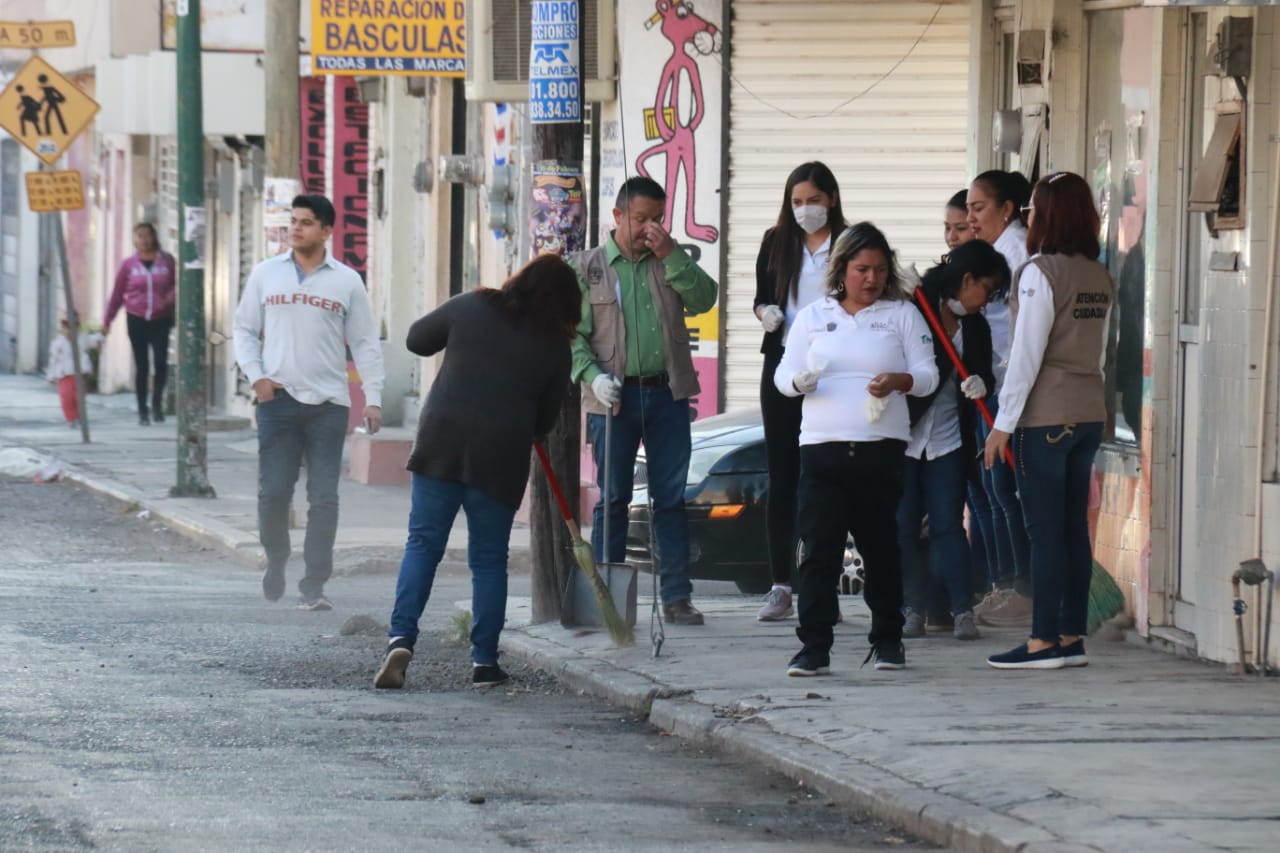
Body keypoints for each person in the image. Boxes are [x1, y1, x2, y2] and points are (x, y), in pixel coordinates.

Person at [374, 255, 579, 690]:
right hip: (500, 458)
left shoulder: (472, 305)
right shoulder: (556, 346)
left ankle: (401, 637)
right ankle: (484, 662)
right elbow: (544, 423)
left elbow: (416, 340)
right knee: (488, 560)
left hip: (441, 444)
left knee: (423, 544)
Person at [774, 223, 939, 676]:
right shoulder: (813, 316)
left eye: (881, 270)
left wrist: (900, 380)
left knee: (881, 548)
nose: (871, 279)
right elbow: (783, 376)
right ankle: (814, 647)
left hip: (879, 451)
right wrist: (799, 381)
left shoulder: (902, 315)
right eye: (862, 269)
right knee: (819, 552)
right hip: (822, 449)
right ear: (841, 269)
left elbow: (929, 375)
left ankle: (887, 640)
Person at [571, 176, 719, 626]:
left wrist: (672, 254)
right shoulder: (587, 267)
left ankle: (676, 597)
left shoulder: (669, 258)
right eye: (640, 219)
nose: (649, 228)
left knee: (669, 499)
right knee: (613, 498)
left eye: (657, 218)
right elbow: (571, 336)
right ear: (617, 216)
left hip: (667, 394)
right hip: (613, 399)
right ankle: (606, 600)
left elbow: (705, 299)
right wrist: (593, 377)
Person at [984, 171, 1115, 670]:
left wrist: (1002, 424)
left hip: (1045, 418)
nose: (1029, 218)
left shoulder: (1039, 272)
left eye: (1033, 210)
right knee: (1072, 529)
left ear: (1048, 215)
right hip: (1088, 412)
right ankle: (1070, 636)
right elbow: (1100, 353)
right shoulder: (1098, 274)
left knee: (1043, 532)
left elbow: (1026, 355)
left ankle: (1042, 641)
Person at [233, 194, 385, 611]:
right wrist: (257, 376)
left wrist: (373, 398)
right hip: (277, 402)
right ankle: (277, 557)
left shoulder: (346, 281)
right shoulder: (266, 274)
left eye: (306, 222)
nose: (296, 229)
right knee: (274, 492)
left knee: (324, 497)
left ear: (327, 230)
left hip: (329, 405)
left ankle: (314, 585)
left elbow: (365, 343)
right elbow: (244, 329)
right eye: (293, 221)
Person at [752, 161, 849, 621]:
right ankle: (780, 584)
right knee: (783, 476)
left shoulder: (849, 242)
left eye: (813, 201)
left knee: (827, 477)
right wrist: (765, 314)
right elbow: (761, 297)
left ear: (831, 199)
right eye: (796, 202)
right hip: (784, 366)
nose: (805, 210)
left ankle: (823, 584)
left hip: (836, 369)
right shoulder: (776, 242)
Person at [898, 240, 1009, 642]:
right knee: (904, 526)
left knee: (948, 525)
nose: (988, 301)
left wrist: (982, 383)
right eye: (988, 290)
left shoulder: (976, 327)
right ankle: (911, 609)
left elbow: (985, 374)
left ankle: (962, 610)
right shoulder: (915, 311)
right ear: (967, 279)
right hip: (905, 438)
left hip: (947, 439)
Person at [966, 170, 1035, 627]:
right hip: (989, 382)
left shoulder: (1018, 253)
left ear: (1007, 209)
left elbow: (1020, 332)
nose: (972, 219)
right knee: (991, 491)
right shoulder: (994, 251)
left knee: (1006, 492)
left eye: (979, 208)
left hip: (1007, 387)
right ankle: (1002, 584)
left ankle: (1020, 588)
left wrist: (1002, 388)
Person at [104, 223, 176, 425]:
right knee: (142, 365)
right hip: (137, 318)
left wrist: (170, 298)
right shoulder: (129, 265)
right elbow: (118, 294)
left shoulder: (166, 261)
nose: (144, 240)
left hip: (160, 318)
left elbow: (176, 284)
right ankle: (142, 410)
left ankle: (157, 404)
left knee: (160, 363)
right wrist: (108, 320)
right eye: (140, 236)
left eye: (147, 235)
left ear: (154, 237)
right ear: (135, 241)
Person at [46, 317, 92, 428]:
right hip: (65, 374)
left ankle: (79, 416)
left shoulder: (83, 339)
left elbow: (94, 340)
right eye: (67, 328)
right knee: (66, 397)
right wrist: (51, 375)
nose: (70, 331)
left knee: (78, 397)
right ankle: (71, 418)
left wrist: (102, 335)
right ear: (63, 329)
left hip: (80, 373)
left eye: (73, 327)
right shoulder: (58, 343)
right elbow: (53, 360)